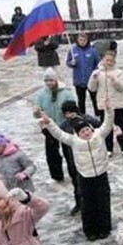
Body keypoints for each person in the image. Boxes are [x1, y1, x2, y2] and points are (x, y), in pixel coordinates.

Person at [40, 113, 113, 240]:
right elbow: (59, 134)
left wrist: (108, 109)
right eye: (82, 131)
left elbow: (108, 123)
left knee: (103, 202)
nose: (86, 133)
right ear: (77, 134)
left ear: (91, 129)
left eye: (87, 130)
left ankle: (104, 228)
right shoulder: (73, 141)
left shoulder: (99, 135)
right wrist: (49, 122)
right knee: (88, 204)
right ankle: (90, 231)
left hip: (101, 174)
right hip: (85, 176)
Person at [33, 70, 81, 215]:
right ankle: (57, 174)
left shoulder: (66, 92)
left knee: (69, 154)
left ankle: (74, 175)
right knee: (52, 153)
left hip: (65, 127)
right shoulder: (42, 94)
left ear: (56, 80)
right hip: (49, 127)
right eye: (46, 81)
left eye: (51, 80)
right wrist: (36, 113)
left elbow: (74, 108)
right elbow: (37, 110)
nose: (49, 83)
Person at [88, 49, 123, 153]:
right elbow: (91, 88)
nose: (109, 62)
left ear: (114, 61)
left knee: (122, 126)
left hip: (118, 104)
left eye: (111, 60)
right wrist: (93, 79)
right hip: (104, 105)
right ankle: (108, 148)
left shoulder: (120, 72)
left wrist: (116, 81)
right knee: (106, 128)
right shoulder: (97, 72)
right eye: (107, 60)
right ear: (103, 60)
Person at [65, 31, 100, 116]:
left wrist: (95, 72)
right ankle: (82, 116)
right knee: (81, 100)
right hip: (79, 80)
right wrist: (71, 63)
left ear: (87, 40)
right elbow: (68, 62)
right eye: (80, 40)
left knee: (95, 99)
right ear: (77, 40)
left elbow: (98, 64)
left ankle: (98, 115)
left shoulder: (93, 51)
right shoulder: (73, 50)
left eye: (84, 40)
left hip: (91, 80)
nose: (82, 42)